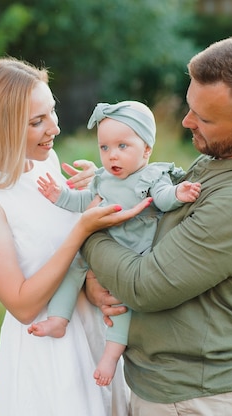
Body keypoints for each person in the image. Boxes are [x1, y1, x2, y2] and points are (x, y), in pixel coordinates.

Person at [82, 35, 232, 415]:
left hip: (195, 399)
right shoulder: (223, 160)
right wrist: (109, 183)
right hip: (170, 388)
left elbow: (143, 286)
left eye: (204, 118)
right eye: (190, 106)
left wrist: (87, 230)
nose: (186, 121)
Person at [0, 57, 151, 416]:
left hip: (94, 334)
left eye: (51, 112)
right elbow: (22, 304)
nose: (55, 128)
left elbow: (67, 253)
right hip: (50, 355)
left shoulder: (42, 162)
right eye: (37, 122)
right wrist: (82, 227)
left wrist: (101, 189)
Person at [31, 100, 201, 387]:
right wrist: (58, 196)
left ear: (146, 149)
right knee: (71, 268)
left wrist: (178, 193)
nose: (113, 156)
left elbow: (162, 197)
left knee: (120, 304)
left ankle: (111, 356)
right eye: (105, 148)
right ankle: (59, 319)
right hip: (102, 245)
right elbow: (84, 201)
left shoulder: (151, 176)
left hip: (132, 253)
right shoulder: (104, 178)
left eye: (123, 146)